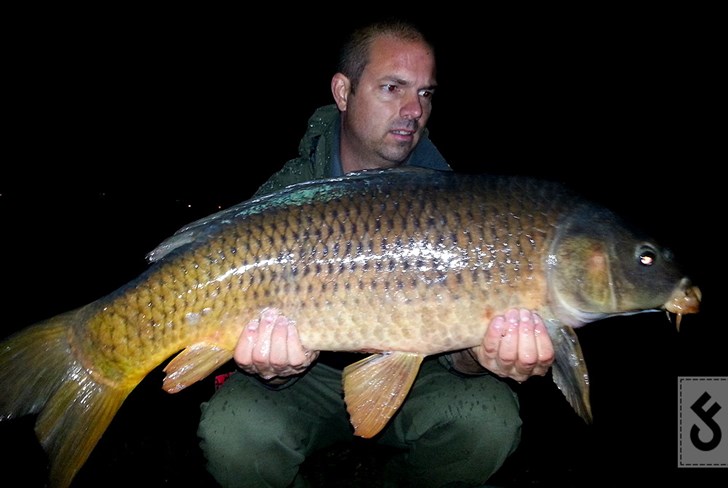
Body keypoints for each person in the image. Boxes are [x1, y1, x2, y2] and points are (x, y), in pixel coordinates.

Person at [197, 19, 554, 488]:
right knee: (235, 431)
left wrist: (483, 356)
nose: (414, 110)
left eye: (425, 94)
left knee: (489, 422)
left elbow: (455, 354)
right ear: (343, 92)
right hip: (308, 377)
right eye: (393, 88)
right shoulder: (290, 192)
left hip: (416, 373)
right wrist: (274, 370)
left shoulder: (451, 198)